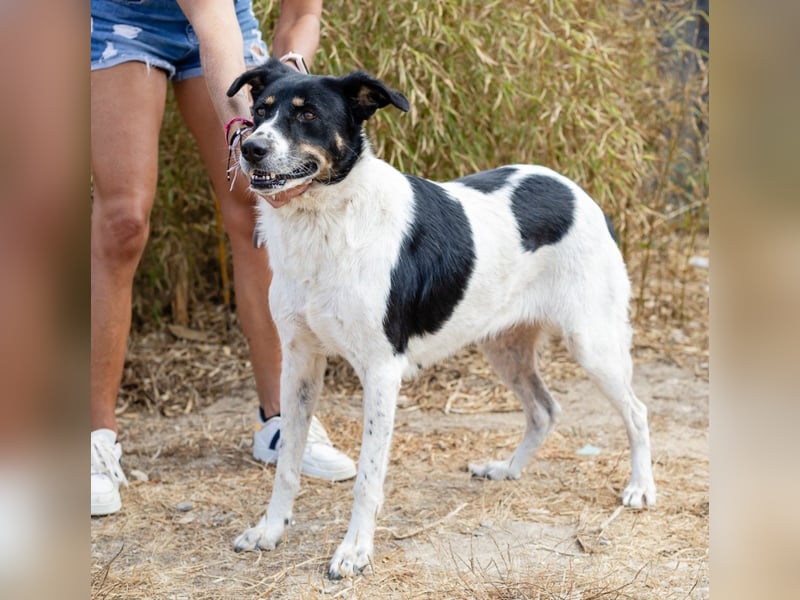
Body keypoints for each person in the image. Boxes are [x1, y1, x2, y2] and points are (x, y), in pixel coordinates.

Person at [90, 0, 355, 517]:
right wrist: (245, 133)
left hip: (227, 22)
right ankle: (93, 437)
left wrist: (291, 79)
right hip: (120, 18)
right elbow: (210, 25)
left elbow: (302, 16)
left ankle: (283, 420)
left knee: (254, 209)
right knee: (124, 222)